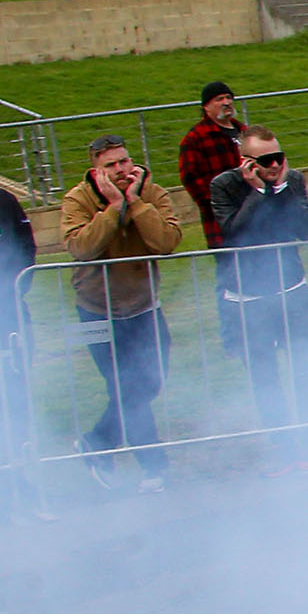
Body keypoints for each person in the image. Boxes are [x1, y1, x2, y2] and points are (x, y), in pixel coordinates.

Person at [59, 134, 181, 492]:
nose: (120, 169)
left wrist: (135, 203)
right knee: (126, 388)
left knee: (150, 383)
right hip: (94, 312)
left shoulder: (152, 192)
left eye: (124, 161)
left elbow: (167, 242)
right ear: (96, 169)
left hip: (144, 306)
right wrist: (114, 207)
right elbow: (81, 247)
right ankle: (154, 468)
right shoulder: (77, 199)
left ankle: (96, 442)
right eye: (110, 165)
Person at [210, 126, 308, 473]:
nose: (275, 165)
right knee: (265, 378)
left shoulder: (292, 181)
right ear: (246, 162)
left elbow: (305, 228)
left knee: (306, 368)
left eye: (278, 157)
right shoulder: (224, 186)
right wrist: (258, 192)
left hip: (291, 290)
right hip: (247, 298)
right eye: (266, 160)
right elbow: (234, 234)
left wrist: (281, 188)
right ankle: (283, 447)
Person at [0, 136, 36, 521]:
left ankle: (23, 482)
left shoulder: (2, 202)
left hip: (10, 320)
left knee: (15, 404)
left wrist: (13, 290)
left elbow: (26, 250)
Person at [177, 81, 244, 264]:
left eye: (229, 98)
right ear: (206, 106)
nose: (226, 102)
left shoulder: (245, 132)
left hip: (256, 219)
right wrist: (219, 201)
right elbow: (190, 178)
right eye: (219, 99)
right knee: (231, 274)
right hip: (221, 226)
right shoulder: (195, 139)